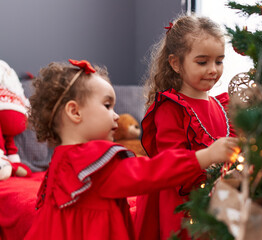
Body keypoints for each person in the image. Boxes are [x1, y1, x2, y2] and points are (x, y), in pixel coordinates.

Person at [24, 59, 238, 240]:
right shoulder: (97, 160)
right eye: (108, 106)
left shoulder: (60, 161)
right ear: (75, 112)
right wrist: (204, 156)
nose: (116, 115)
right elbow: (150, 171)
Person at [135, 14, 238, 240]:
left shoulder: (223, 107)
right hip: (182, 207)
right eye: (202, 62)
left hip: (220, 203)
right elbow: (172, 164)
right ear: (175, 63)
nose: (213, 69)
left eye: (219, 61)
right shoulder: (170, 108)